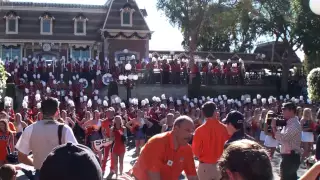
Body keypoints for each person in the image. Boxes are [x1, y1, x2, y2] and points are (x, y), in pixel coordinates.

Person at [15, 97, 78, 179]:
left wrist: (38, 164)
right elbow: (76, 154)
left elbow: (21, 157)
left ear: (41, 111)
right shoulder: (65, 129)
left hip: (40, 174)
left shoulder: (30, 129)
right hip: (60, 174)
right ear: (57, 111)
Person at [131, 115, 198, 180]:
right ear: (176, 129)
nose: (190, 135)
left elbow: (193, 177)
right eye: (187, 130)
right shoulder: (157, 142)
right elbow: (153, 175)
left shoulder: (187, 149)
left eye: (192, 131)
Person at [192, 101, 229, 180]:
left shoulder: (199, 130)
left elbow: (195, 152)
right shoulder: (225, 129)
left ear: (203, 113)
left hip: (205, 166)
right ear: (215, 112)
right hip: (220, 166)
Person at [271, 102, 302, 180]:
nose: (282, 111)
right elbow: (279, 138)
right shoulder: (289, 123)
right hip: (288, 157)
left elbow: (283, 138)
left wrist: (274, 127)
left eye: (284, 109)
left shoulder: (294, 124)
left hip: (291, 157)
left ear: (291, 110)